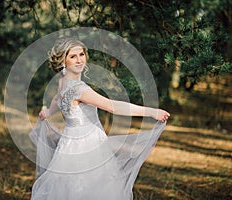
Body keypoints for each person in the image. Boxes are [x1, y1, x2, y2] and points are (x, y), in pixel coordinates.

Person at [29, 38, 170, 200]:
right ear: (63, 61)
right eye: (73, 56)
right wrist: (151, 111)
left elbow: (56, 99)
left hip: (68, 145)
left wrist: (48, 112)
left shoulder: (63, 82)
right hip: (89, 145)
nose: (79, 59)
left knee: (69, 188)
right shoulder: (80, 89)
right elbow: (112, 106)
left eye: (81, 54)